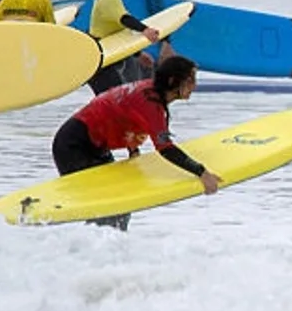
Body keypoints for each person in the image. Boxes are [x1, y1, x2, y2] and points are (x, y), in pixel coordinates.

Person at [51, 55, 222, 230]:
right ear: (173, 81)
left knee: (120, 207)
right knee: (106, 210)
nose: (195, 85)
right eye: (190, 80)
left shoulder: (150, 92)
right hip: (74, 146)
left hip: (91, 145)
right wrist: (201, 172)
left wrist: (133, 150)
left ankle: (105, 252)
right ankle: (83, 251)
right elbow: (165, 148)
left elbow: (122, 111)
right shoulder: (151, 102)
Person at [86, 0, 162, 94]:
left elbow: (119, 33)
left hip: (102, 57)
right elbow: (125, 20)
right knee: (114, 98)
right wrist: (145, 30)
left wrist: (138, 54)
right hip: (98, 58)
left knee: (115, 97)